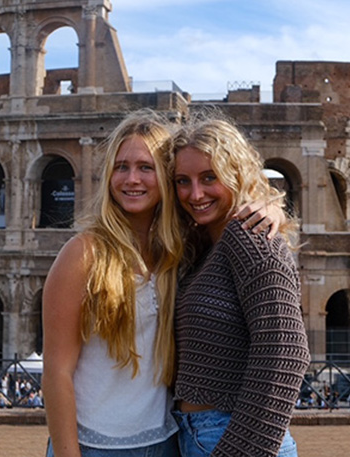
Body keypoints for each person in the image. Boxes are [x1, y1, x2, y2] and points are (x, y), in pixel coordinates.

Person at [42, 110, 281, 457]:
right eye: (121, 167)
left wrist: (270, 207)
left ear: (167, 178)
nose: (131, 179)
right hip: (94, 445)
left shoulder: (180, 252)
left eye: (145, 167)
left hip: (167, 442)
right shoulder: (83, 254)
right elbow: (56, 371)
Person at [170, 116, 310, 457]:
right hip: (199, 435)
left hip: (235, 437)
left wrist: (240, 451)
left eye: (209, 178)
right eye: (182, 181)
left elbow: (286, 348)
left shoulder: (249, 238)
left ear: (237, 174)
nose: (195, 193)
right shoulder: (205, 246)